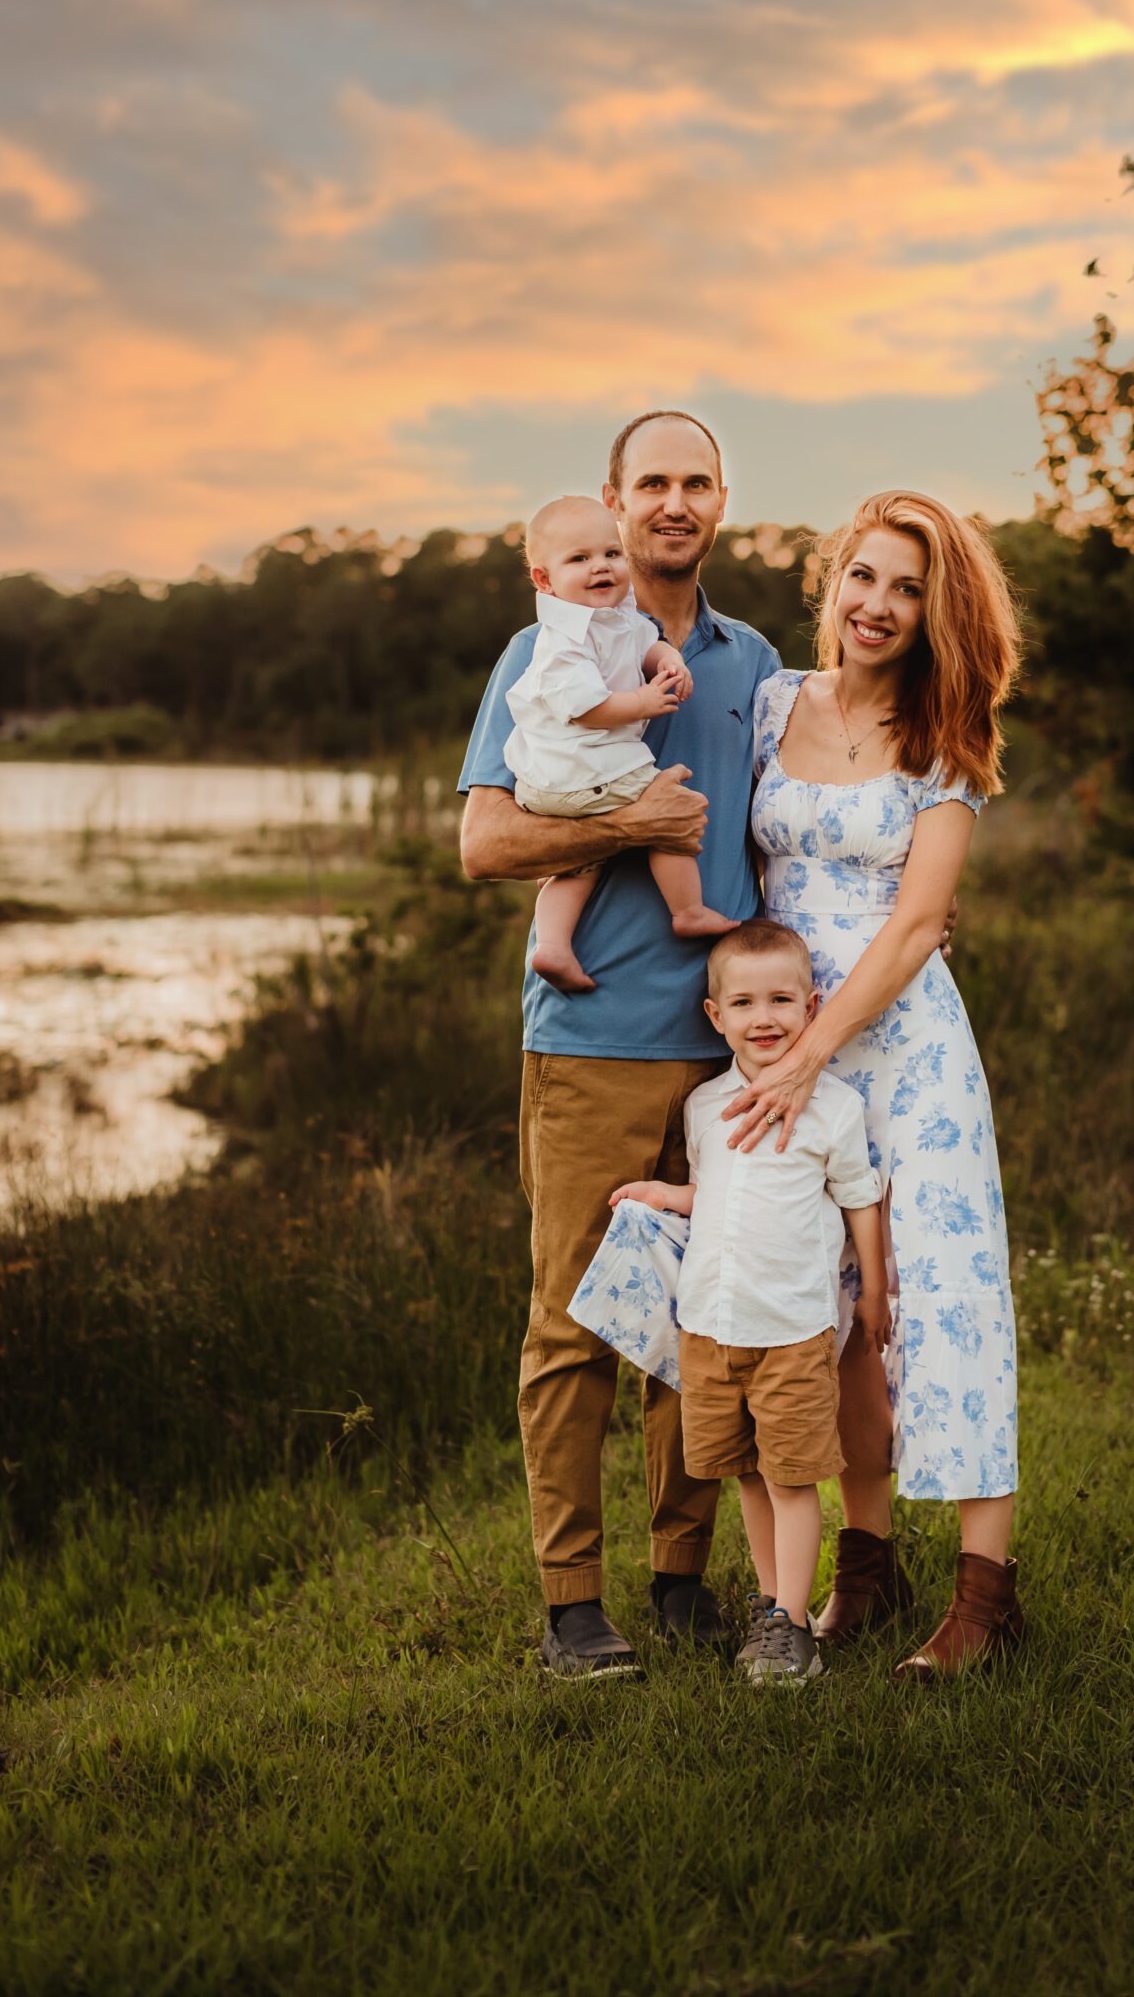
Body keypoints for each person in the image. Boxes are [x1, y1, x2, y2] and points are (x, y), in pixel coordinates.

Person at [458, 411, 781, 1678]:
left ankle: (686, 1577)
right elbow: (484, 844)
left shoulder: (752, 660)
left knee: (703, 1323)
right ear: (613, 498)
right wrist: (624, 823)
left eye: (695, 481)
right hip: (592, 1037)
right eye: (650, 481)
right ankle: (569, 1604)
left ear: (719, 502)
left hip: (728, 1055)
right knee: (575, 1325)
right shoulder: (547, 651)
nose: (672, 502)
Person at [727, 490, 1024, 1681]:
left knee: (939, 1298)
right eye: (865, 577)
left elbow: (914, 929)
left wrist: (812, 1051)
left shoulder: (944, 734)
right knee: (831, 1307)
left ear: (935, 613)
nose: (879, 606)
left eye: (909, 589)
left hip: (907, 1056)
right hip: (787, 1044)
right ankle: (864, 1564)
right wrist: (773, 1041)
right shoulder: (761, 708)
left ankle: (984, 1596)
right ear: (830, 578)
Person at [595, 921, 889, 1685]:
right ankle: (771, 1606)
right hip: (712, 1333)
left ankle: (793, 1627)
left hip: (790, 1331)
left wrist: (876, 1294)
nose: (765, 1017)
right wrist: (667, 1195)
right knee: (751, 1474)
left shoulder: (832, 1109)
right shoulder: (704, 1106)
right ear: (714, 1015)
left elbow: (860, 1201)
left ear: (812, 1005)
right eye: (745, 1002)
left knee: (791, 1477)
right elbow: (723, 1194)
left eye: (783, 999)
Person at [501, 494, 739, 994]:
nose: (600, 568)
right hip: (576, 770)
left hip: (573, 778)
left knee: (578, 867)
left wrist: (666, 658)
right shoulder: (559, 642)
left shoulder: (617, 617)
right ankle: (687, 910)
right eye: (579, 559)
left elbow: (641, 642)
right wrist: (642, 701)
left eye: (610, 554)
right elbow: (588, 707)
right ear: (544, 580)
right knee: (670, 812)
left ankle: (552, 947)